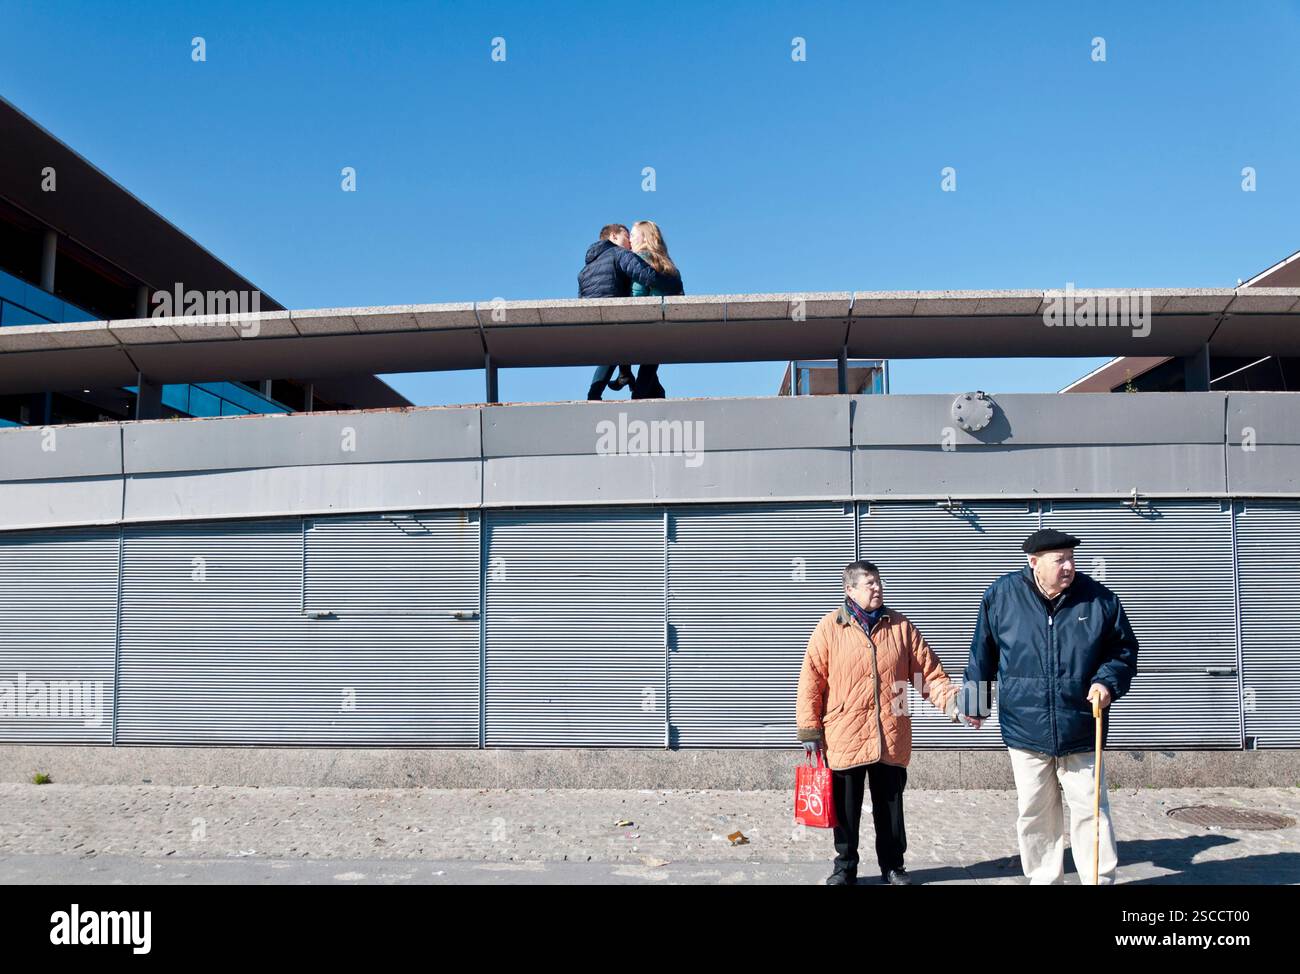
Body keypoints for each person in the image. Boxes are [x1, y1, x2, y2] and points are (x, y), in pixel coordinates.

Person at [960, 529, 1139, 885]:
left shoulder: (1099, 600)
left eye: (1071, 558)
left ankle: (1099, 880)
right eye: (1060, 560)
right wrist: (975, 704)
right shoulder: (1002, 596)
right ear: (1034, 563)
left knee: (1091, 811)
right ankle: (1044, 879)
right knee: (1035, 813)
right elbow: (983, 653)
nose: (1069, 566)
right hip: (1025, 728)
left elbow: (1122, 651)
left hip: (1082, 724)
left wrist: (1106, 682)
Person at [796, 560, 965, 886]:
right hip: (844, 733)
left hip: (890, 732)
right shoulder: (830, 628)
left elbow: (929, 674)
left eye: (879, 582)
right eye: (869, 583)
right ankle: (845, 868)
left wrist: (953, 703)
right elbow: (811, 680)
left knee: (890, 808)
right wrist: (809, 727)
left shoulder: (900, 627)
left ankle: (893, 866)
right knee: (846, 811)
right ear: (850, 590)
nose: (877, 588)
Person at [578, 223, 680, 401]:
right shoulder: (621, 253)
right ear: (614, 237)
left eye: (633, 235)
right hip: (630, 320)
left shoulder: (586, 268)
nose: (630, 242)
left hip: (596, 322)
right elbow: (644, 281)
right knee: (637, 348)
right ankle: (634, 391)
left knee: (617, 348)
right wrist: (674, 285)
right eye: (628, 235)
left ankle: (607, 388)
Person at [627, 220, 683, 399]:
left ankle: (638, 398)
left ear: (644, 237)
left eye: (633, 235)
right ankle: (657, 394)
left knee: (647, 362)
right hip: (666, 323)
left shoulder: (641, 258)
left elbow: (638, 293)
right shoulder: (669, 264)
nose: (630, 240)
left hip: (647, 322)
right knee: (650, 363)